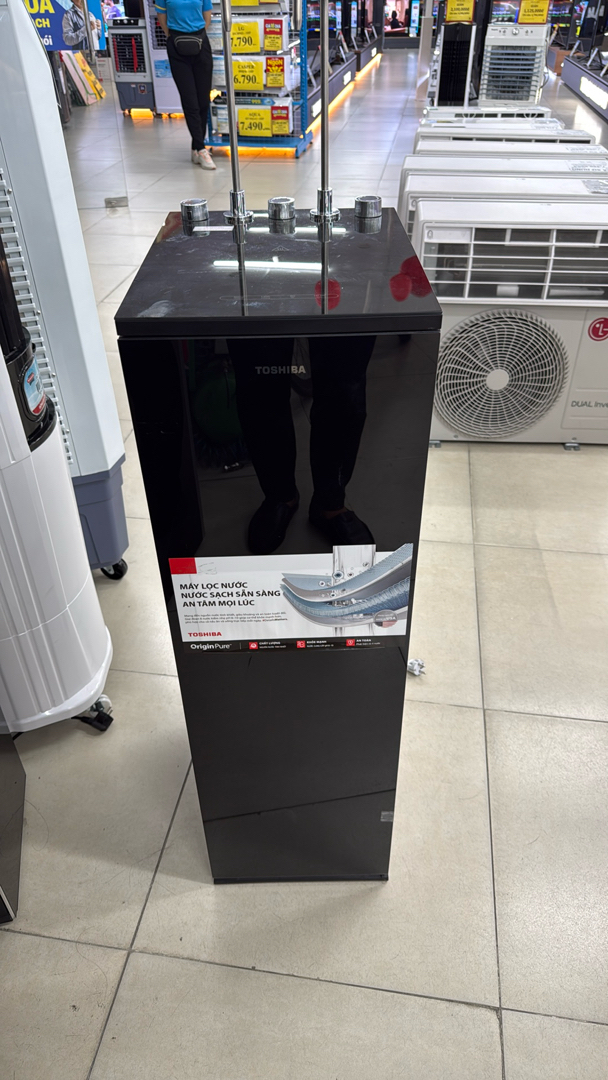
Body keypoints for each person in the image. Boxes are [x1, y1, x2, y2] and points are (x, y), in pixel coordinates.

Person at [155, 0, 216, 170]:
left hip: (201, 43)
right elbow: (162, 17)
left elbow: (207, 16)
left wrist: (198, 34)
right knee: (190, 100)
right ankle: (201, 149)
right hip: (176, 46)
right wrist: (172, 35)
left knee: (203, 100)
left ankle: (196, 147)